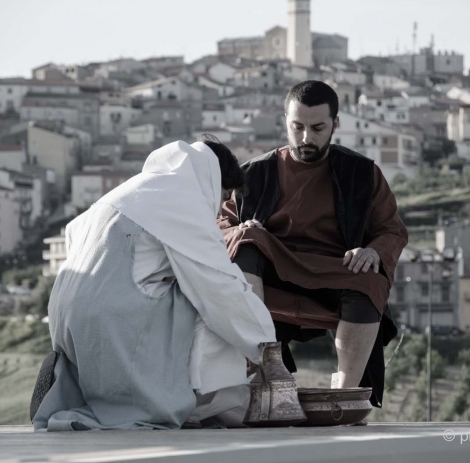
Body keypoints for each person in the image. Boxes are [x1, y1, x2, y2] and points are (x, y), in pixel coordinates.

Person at [32, 138, 276, 431]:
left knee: (185, 284)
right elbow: (220, 287)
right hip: (112, 320)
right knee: (202, 297)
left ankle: (70, 393)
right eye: (224, 195)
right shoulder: (183, 200)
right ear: (213, 180)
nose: (219, 208)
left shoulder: (131, 191)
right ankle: (199, 399)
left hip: (67, 322)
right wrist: (266, 347)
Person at [217, 80, 408, 408]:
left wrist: (373, 251)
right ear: (285, 121)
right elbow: (221, 227)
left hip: (333, 271)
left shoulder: (362, 173)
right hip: (272, 268)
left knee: (369, 278)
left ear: (336, 124)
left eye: (318, 128)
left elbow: (392, 230)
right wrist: (239, 231)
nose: (306, 138)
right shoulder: (255, 173)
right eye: (298, 127)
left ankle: (346, 398)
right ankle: (263, 369)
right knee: (247, 241)